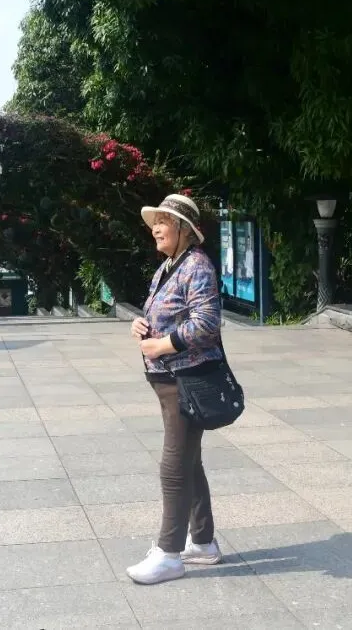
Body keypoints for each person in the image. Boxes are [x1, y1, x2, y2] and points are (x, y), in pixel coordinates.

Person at [126, 193, 223, 585]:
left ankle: (168, 554)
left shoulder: (197, 265)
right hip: (169, 379)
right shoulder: (169, 266)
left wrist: (163, 345)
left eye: (163, 222)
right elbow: (164, 313)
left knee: (174, 466)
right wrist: (140, 326)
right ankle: (202, 542)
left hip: (188, 378)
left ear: (184, 228)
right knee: (188, 461)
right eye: (155, 223)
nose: (155, 229)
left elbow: (207, 323)